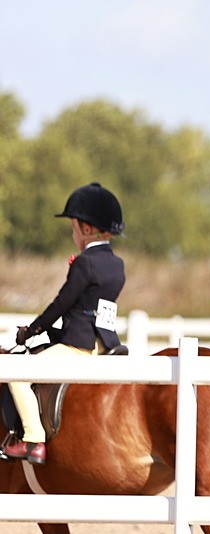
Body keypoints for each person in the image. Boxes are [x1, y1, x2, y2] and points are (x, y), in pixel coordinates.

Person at [4, 183, 126, 465]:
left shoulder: (85, 263)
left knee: (16, 373)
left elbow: (62, 303)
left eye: (73, 228)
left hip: (78, 347)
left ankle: (33, 439)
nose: (72, 234)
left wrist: (31, 330)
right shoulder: (117, 264)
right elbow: (90, 309)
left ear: (85, 228)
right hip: (105, 343)